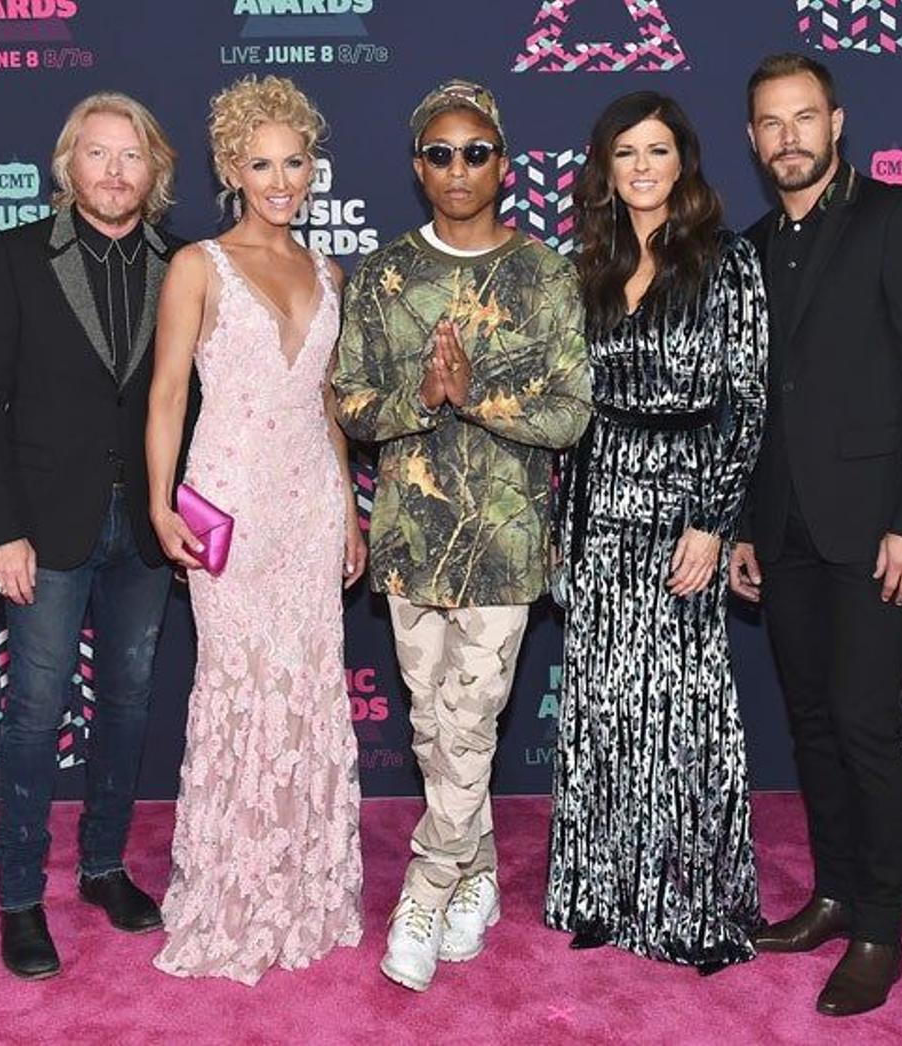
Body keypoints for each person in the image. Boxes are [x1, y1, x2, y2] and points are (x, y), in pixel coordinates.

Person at [333, 79, 591, 992]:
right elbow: (352, 406)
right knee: (437, 731)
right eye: (439, 152)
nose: (457, 167)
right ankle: (479, 877)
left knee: (469, 725)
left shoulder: (547, 274)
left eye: (474, 151)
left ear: (503, 164)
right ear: (417, 167)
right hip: (408, 542)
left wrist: (475, 396)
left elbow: (570, 415)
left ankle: (427, 886)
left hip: (506, 546)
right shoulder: (384, 275)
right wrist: (424, 398)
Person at [730, 54, 902, 1016]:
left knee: (868, 726)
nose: (787, 137)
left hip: (877, 531)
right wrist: (747, 524)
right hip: (784, 528)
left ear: (837, 124)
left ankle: (879, 924)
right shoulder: (749, 247)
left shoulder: (895, 220)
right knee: (815, 722)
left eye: (803, 118)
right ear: (753, 139)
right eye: (769, 123)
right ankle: (831, 893)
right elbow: (751, 404)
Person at [0, 92, 198, 979]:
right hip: (45, 527)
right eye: (97, 154)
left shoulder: (183, 263)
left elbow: (196, 405)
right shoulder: (17, 257)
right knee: (32, 710)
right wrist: (3, 529)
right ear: (70, 166)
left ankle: (102, 867)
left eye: (131, 157)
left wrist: (187, 512)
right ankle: (20, 894)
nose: (114, 172)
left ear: (155, 171)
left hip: (145, 528)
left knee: (130, 703)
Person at [146, 75, 365, 985]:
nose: (281, 179)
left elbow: (328, 404)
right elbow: (166, 394)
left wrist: (351, 503)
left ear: (314, 167)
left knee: (308, 686)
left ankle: (305, 887)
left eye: (295, 162)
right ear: (232, 169)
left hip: (310, 503)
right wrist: (162, 504)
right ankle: (234, 892)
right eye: (260, 163)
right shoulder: (199, 263)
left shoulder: (330, 272)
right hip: (228, 503)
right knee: (238, 683)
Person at [544, 92, 768, 972]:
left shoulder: (726, 261)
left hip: (684, 507)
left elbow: (744, 407)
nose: (642, 166)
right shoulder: (586, 265)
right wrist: (564, 524)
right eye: (625, 152)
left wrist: (713, 522)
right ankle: (602, 889)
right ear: (606, 165)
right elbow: (574, 411)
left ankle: (690, 900)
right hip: (597, 503)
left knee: (683, 705)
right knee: (601, 701)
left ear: (685, 162)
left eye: (658, 150)